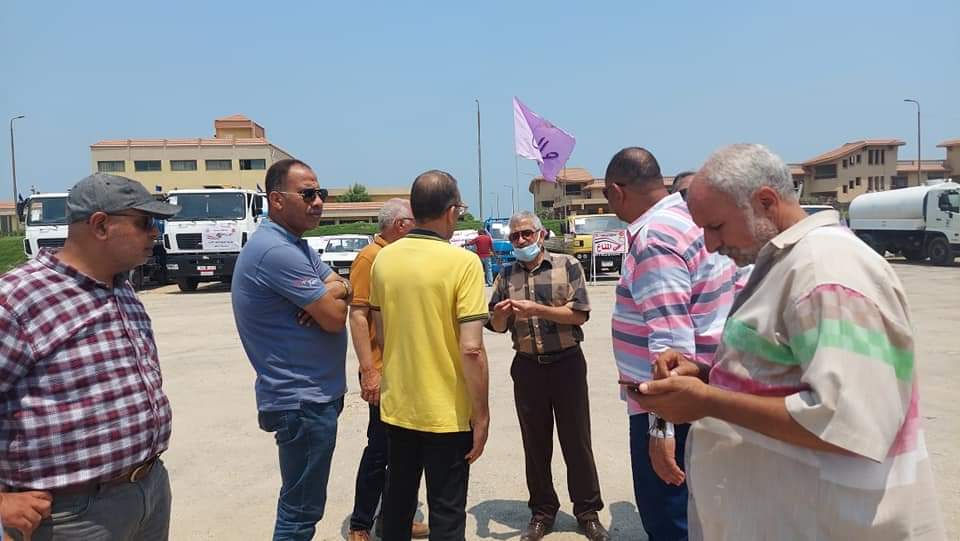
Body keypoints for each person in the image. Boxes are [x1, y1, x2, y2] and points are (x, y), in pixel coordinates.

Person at [634, 144, 946, 540]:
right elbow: (791, 373)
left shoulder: (827, 270)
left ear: (765, 202)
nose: (710, 246)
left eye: (716, 227)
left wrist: (708, 401)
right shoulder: (788, 262)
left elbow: (851, 419)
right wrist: (710, 377)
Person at [0, 173, 180, 540]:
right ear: (100, 225)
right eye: (145, 222)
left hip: (148, 489)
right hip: (69, 515)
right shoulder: (18, 300)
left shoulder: (122, 290)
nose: (155, 233)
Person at [604, 148, 740, 541]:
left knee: (671, 521)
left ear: (617, 191)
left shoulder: (654, 238)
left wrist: (659, 430)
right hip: (706, 391)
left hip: (673, 408)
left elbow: (670, 346)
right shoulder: (687, 220)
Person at [231, 159, 352, 541]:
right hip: (301, 401)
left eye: (321, 193)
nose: (318, 202)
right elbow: (335, 317)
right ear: (277, 200)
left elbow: (340, 284)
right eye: (308, 194)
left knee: (301, 507)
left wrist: (336, 289)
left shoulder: (295, 245)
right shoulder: (275, 251)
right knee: (300, 513)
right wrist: (329, 300)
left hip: (311, 398)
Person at [370, 170, 490, 541]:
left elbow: (382, 334)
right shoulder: (463, 263)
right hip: (447, 412)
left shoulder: (384, 260)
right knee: (447, 512)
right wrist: (481, 414)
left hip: (399, 407)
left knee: (398, 503)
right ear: (451, 211)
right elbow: (471, 348)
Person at [487, 211, 609, 541]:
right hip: (527, 366)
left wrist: (537, 309)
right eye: (515, 236)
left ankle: (587, 511)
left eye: (526, 233)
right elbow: (497, 326)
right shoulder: (506, 275)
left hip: (567, 364)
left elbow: (579, 314)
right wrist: (499, 316)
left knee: (576, 439)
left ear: (541, 235)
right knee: (535, 443)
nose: (521, 240)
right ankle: (542, 512)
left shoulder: (567, 265)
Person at [347, 199, 428, 541]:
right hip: (383, 372)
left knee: (407, 453)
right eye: (415, 220)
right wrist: (370, 370)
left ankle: (395, 518)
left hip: (408, 371)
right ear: (400, 225)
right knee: (380, 450)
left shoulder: (400, 256)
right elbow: (358, 315)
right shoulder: (371, 257)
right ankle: (361, 524)